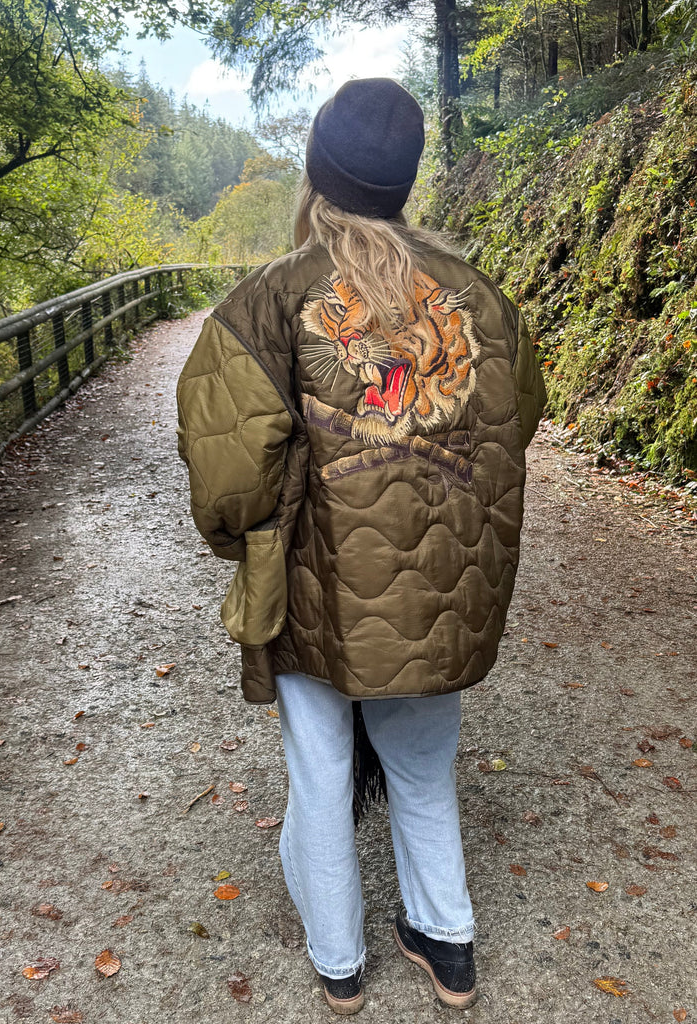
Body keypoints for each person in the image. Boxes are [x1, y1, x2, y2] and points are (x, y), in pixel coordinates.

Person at [176, 78, 547, 1014]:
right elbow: (521, 416)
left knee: (321, 769)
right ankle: (446, 942)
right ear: (404, 184)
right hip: (443, 585)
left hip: (317, 580)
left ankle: (339, 962)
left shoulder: (270, 300)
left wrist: (243, 537)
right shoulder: (480, 297)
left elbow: (227, 463)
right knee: (423, 769)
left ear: (317, 175)